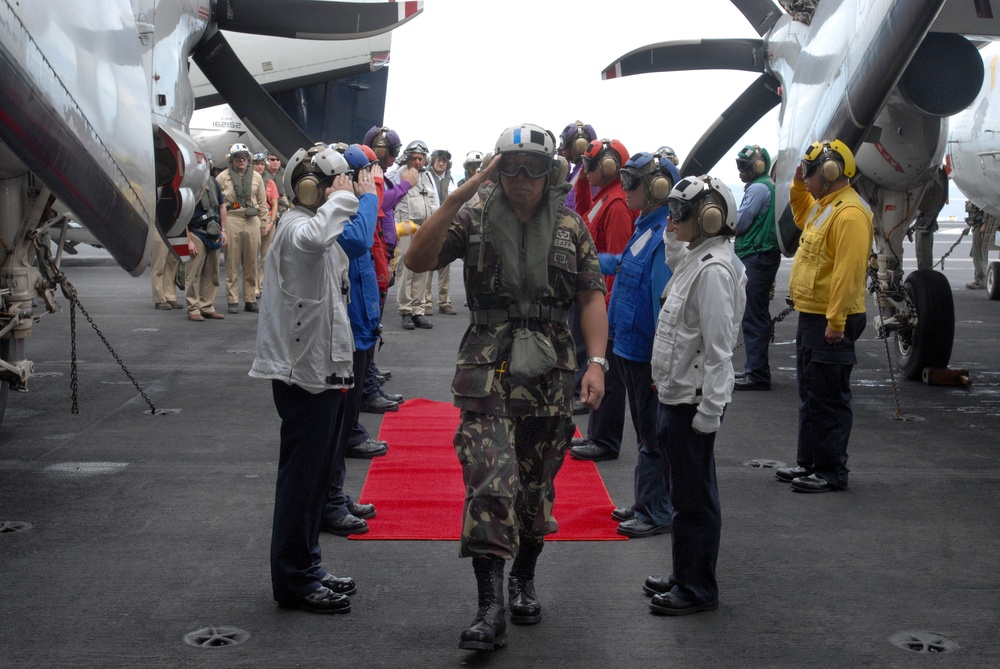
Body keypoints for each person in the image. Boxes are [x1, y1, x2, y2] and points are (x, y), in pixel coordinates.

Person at [404, 123, 608, 651]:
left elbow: (590, 296)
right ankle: (489, 606)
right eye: (510, 166)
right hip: (487, 369)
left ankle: (523, 579)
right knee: (490, 481)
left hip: (550, 374)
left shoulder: (571, 226)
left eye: (532, 168)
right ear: (496, 170)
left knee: (535, 491)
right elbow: (417, 259)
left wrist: (597, 363)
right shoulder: (471, 217)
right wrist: (458, 196)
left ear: (549, 172)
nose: (521, 178)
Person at [249, 145, 361, 615]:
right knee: (301, 480)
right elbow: (315, 239)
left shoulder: (312, 226)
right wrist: (344, 198)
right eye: (334, 183)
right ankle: (294, 578)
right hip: (303, 376)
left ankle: (308, 565)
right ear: (312, 188)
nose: (344, 189)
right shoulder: (297, 227)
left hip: (322, 371)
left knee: (314, 480)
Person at [643, 175, 746, 616]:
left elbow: (720, 350)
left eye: (679, 213)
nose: (671, 221)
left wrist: (711, 410)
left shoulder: (714, 272)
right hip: (676, 396)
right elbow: (676, 262)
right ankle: (685, 572)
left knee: (694, 498)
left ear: (709, 218)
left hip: (691, 404)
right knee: (683, 493)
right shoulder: (698, 258)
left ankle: (697, 587)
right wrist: (673, 231)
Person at [774, 140, 873, 493]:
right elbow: (801, 213)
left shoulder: (850, 214)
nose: (806, 177)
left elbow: (848, 273)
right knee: (811, 393)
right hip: (814, 315)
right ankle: (810, 463)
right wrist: (797, 182)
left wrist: (836, 322)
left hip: (831, 319)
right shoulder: (824, 206)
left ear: (830, 172)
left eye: (810, 171)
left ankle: (831, 471)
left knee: (828, 398)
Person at [602, 152, 679, 538]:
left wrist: (661, 363)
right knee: (644, 433)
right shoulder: (646, 228)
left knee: (651, 437)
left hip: (646, 353)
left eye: (632, 181)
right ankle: (646, 500)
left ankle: (655, 510)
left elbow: (661, 305)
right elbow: (624, 265)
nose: (625, 188)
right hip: (631, 349)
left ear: (657, 188)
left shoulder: (662, 236)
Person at [317, 144, 385, 537]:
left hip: (359, 326)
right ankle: (328, 502)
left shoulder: (348, 210)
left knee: (344, 425)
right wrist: (367, 197)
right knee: (336, 430)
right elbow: (357, 241)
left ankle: (335, 496)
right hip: (346, 332)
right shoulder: (335, 214)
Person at [568, 138, 637, 463]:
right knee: (598, 367)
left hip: (604, 300)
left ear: (608, 167)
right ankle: (596, 434)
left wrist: (605, 310)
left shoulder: (617, 204)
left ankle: (605, 440)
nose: (585, 169)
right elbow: (583, 211)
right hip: (593, 293)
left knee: (607, 372)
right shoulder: (605, 197)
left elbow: (618, 262)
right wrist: (583, 177)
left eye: (589, 165)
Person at [732, 144, 780, 391]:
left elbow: (740, 222)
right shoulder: (765, 186)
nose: (740, 171)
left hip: (757, 256)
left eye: (743, 166)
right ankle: (755, 369)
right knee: (756, 314)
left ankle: (757, 374)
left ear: (758, 167)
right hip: (761, 255)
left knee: (753, 316)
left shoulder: (758, 188)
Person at [217, 142, 268, 314]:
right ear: (231, 160)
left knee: (252, 261)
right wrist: (221, 227)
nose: (241, 160)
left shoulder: (257, 177)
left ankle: (250, 299)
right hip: (232, 218)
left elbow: (262, 202)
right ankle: (232, 300)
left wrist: (263, 223)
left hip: (251, 219)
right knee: (232, 261)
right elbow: (218, 204)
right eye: (237, 158)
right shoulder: (222, 177)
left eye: (244, 157)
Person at [393, 139, 439, 330]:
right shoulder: (398, 175)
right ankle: (405, 311)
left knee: (423, 269)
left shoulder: (427, 177)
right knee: (405, 269)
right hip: (406, 228)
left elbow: (435, 202)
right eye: (415, 158)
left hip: (425, 228)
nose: (418, 162)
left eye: (421, 158)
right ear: (408, 158)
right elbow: (393, 201)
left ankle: (418, 311)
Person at [184, 173, 227, 322]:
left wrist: (223, 230)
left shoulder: (213, 182)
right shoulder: (189, 183)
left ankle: (207, 306)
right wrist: (188, 240)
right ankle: (193, 308)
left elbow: (222, 206)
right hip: (196, 231)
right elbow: (183, 213)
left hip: (213, 231)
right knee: (193, 273)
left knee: (212, 272)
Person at [426, 148, 457, 315]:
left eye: (444, 161)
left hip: (446, 225)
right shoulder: (425, 176)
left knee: (445, 263)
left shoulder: (451, 179)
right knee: (428, 264)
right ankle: (426, 301)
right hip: (430, 224)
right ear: (433, 161)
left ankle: (444, 301)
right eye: (438, 160)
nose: (441, 163)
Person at [253, 152, 280, 300]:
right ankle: (253, 286)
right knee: (253, 256)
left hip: (268, 218)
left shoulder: (270, 183)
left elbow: (275, 204)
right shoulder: (250, 182)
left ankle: (262, 283)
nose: (260, 167)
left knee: (265, 256)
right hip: (254, 219)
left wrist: (272, 222)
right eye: (257, 164)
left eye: (262, 164)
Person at [911, 166, 948, 271]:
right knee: (921, 253)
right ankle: (924, 271)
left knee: (923, 255)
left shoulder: (932, 183)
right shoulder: (934, 180)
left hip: (925, 221)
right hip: (924, 220)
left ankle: (925, 273)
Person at [150, 232, 182, 311]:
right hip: (159, 228)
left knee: (173, 263)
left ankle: (170, 296)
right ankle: (159, 299)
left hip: (176, 229)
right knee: (158, 265)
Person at [966, 200, 989, 289]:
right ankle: (978, 279)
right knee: (976, 253)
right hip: (977, 225)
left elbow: (987, 206)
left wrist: (985, 223)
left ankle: (981, 280)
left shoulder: (983, 195)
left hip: (980, 225)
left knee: (979, 254)